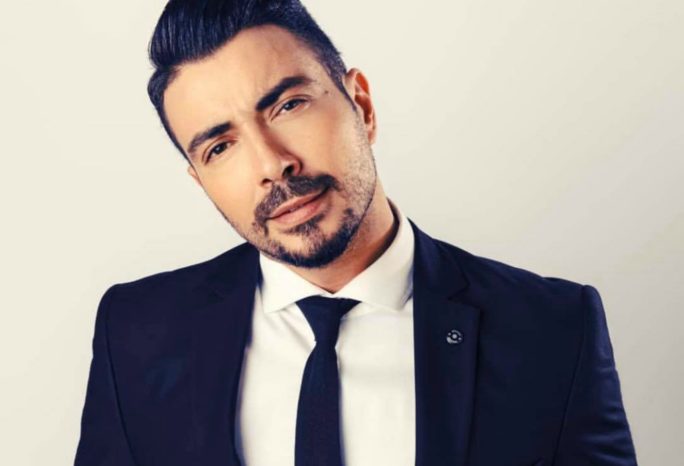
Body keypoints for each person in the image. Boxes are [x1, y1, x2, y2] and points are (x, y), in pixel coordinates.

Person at [74, 1, 638, 465]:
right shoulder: (136, 332)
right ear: (201, 181)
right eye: (220, 147)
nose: (272, 164)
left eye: (289, 105)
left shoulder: (553, 329)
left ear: (361, 106)